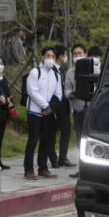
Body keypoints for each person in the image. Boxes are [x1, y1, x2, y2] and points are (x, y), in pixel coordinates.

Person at [24, 47, 62, 180]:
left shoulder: (56, 74)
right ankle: (28, 169)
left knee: (46, 141)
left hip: (49, 113)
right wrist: (46, 106)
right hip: (35, 112)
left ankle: (43, 168)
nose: (50, 59)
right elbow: (32, 92)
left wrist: (51, 107)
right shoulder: (35, 72)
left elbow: (59, 94)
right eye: (47, 56)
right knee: (33, 140)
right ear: (42, 57)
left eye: (52, 56)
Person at [47, 45, 74, 168]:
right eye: (65, 55)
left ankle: (63, 157)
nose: (66, 57)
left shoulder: (61, 70)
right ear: (61, 56)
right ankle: (53, 158)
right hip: (54, 105)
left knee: (66, 131)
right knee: (51, 132)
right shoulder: (51, 70)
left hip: (64, 105)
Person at [66, 44, 87, 179]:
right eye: (75, 54)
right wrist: (71, 94)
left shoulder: (95, 69)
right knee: (80, 140)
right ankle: (82, 169)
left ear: (85, 54)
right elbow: (66, 90)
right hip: (78, 109)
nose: (77, 56)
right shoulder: (70, 72)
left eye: (80, 53)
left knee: (92, 139)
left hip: (91, 109)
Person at [0, 56, 15, 170]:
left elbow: (8, 94)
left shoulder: (4, 78)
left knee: (0, 137)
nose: (0, 66)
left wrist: (10, 101)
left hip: (4, 112)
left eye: (2, 63)